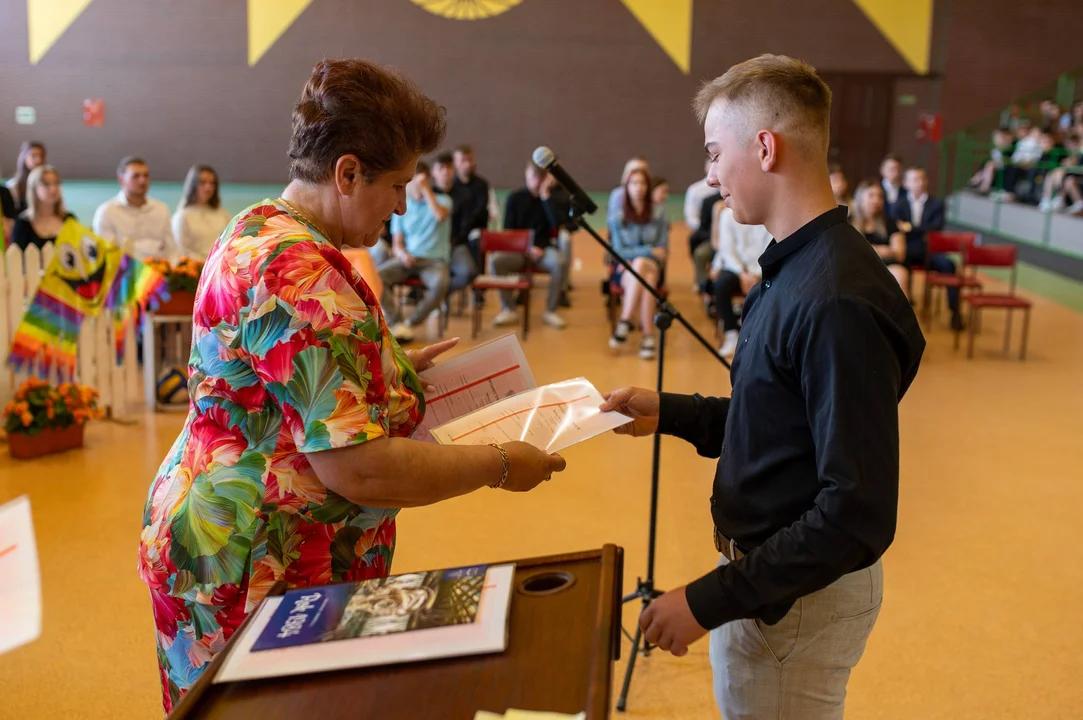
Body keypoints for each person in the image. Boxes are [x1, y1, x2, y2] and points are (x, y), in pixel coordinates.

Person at [137, 58, 566, 714]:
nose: (401, 205)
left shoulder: (261, 226)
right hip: (256, 560)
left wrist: (389, 365)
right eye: (396, 186)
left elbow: (275, 376)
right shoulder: (303, 273)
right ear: (346, 172)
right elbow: (359, 471)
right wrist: (502, 465)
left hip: (222, 529)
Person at [601, 55, 924, 720]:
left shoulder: (834, 298)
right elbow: (778, 425)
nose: (711, 175)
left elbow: (854, 514)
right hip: (773, 582)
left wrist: (708, 600)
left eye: (714, 154)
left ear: (765, 148)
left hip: (795, 599)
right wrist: (669, 411)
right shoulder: (796, 266)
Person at [377, 161, 452, 343]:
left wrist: (426, 190)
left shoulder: (443, 201)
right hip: (409, 259)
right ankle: (397, 322)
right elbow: (397, 244)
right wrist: (402, 254)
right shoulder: (403, 208)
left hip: (435, 261)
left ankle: (410, 322)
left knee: (441, 284)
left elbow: (440, 216)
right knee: (376, 277)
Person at [491, 162, 569, 330]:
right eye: (533, 176)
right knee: (497, 260)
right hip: (519, 251)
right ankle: (508, 308)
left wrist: (545, 196)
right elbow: (508, 231)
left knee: (559, 262)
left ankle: (551, 310)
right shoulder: (514, 198)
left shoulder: (550, 199)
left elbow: (556, 224)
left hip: (543, 251)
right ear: (526, 175)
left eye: (540, 177)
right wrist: (527, 248)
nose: (536, 181)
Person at [891, 167, 963, 328]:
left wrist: (910, 228)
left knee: (949, 265)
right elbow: (896, 227)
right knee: (899, 264)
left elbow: (935, 228)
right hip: (908, 250)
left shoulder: (937, 203)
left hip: (930, 251)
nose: (919, 183)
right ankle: (904, 310)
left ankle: (955, 312)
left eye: (922, 179)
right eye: (914, 179)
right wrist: (920, 229)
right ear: (906, 183)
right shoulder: (899, 204)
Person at [608, 167, 668, 360]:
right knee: (645, 277)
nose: (639, 188)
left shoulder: (659, 214)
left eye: (642, 183)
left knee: (642, 264)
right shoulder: (617, 217)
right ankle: (648, 335)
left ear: (648, 187)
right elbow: (618, 252)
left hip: (652, 266)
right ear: (627, 187)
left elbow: (663, 251)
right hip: (627, 269)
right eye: (634, 183)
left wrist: (644, 255)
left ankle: (624, 321)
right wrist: (649, 251)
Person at [710, 206, 772, 358]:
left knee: (774, 286)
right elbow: (727, 251)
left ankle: (762, 337)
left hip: (762, 267)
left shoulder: (766, 211)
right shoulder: (727, 215)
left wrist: (757, 273)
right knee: (720, 286)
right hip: (736, 269)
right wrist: (742, 274)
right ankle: (731, 334)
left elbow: (769, 246)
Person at [93, 156, 174, 260]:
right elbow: (106, 255)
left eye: (146, 175)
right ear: (121, 180)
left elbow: (172, 250)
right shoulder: (107, 212)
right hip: (125, 273)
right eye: (136, 176)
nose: (142, 181)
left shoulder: (161, 209)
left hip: (161, 271)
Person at [430, 152, 479, 292]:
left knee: (468, 272)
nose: (445, 172)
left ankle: (439, 296)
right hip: (432, 247)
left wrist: (453, 243)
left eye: (449, 168)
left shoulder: (465, 195)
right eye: (441, 168)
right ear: (433, 172)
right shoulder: (428, 195)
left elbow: (467, 226)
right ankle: (431, 296)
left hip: (455, 245)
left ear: (453, 170)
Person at [851, 179, 909, 294]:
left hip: (886, 266)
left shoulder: (890, 223)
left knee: (900, 274)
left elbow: (900, 254)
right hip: (857, 266)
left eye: (879, 196)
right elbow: (848, 251)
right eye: (871, 196)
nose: (876, 200)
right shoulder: (849, 222)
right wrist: (883, 249)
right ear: (860, 198)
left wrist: (867, 248)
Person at [171, 165, 232, 259]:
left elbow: (231, 242)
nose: (208, 187)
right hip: (195, 268)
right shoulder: (183, 216)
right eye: (202, 182)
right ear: (193, 185)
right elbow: (181, 251)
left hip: (221, 265)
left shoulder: (223, 214)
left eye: (212, 183)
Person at [11, 166, 75, 250]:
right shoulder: (23, 223)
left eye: (56, 183)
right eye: (46, 184)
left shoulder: (69, 219)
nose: (53, 189)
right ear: (34, 189)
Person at [450, 145, 492, 263]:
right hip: (454, 229)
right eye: (463, 160)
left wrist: (463, 233)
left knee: (476, 238)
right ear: (455, 163)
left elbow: (479, 211)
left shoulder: (481, 185)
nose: (468, 164)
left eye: (470, 160)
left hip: (474, 229)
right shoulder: (451, 185)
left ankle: (477, 274)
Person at [6, 141, 46, 214]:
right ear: (24, 157)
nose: (38, 160)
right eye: (34, 156)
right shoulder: (13, 186)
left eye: (41, 156)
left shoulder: (47, 186)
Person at [683, 158, 715, 232]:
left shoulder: (731, 189)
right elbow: (691, 218)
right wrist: (707, 229)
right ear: (706, 168)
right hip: (704, 234)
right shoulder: (695, 190)